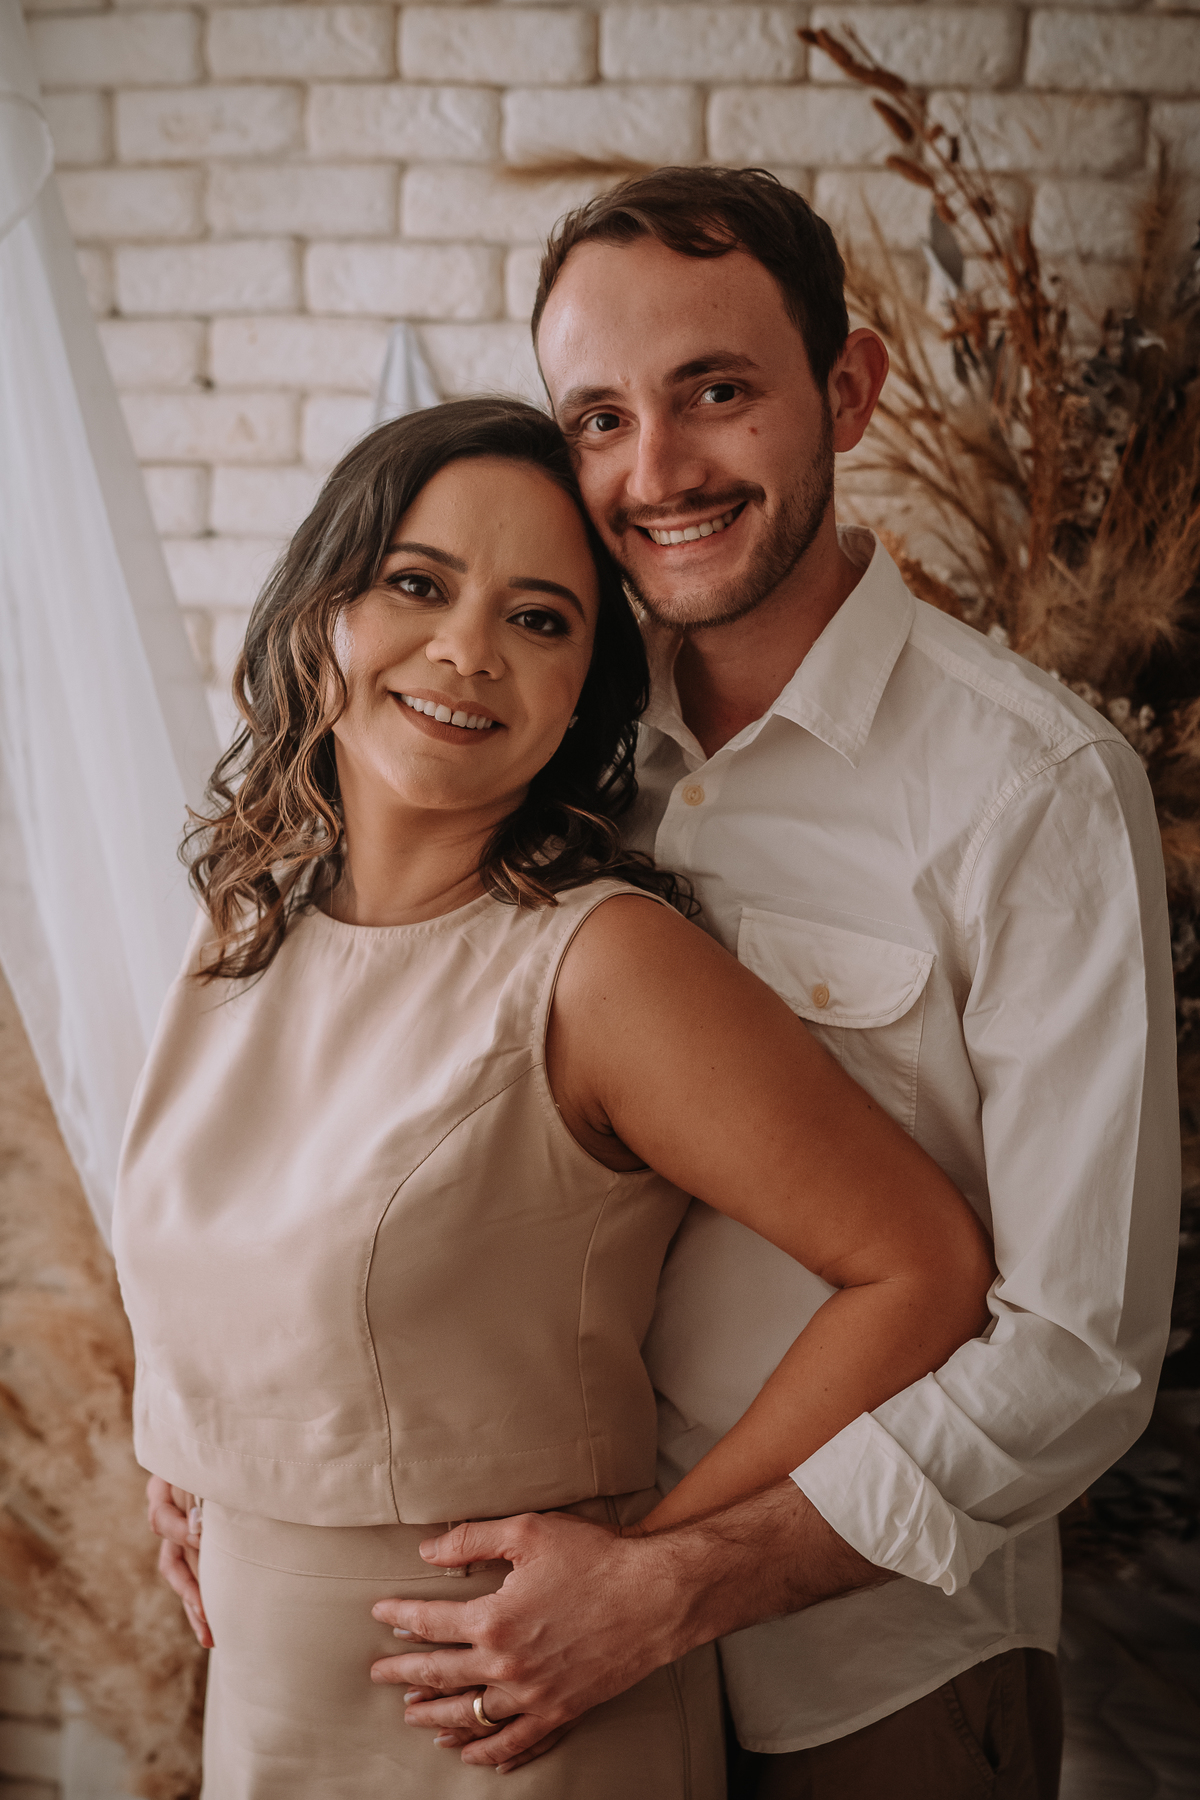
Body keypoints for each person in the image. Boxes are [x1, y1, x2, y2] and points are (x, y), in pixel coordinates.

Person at [325, 171, 1181, 1798]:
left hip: (869, 1682)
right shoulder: (545, 724)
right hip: (530, 1663)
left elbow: (1077, 1353)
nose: (655, 473)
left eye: (716, 393)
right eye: (599, 419)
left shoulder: (1034, 789)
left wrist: (671, 1584)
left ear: (846, 390)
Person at [118, 396, 995, 1797]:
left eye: (539, 619)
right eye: (418, 585)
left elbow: (924, 1267)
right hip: (268, 1714)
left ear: (588, 689)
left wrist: (655, 1572)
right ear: (322, 610)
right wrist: (197, 1455)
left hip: (518, 1720)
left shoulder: (600, 967)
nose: (468, 651)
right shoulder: (241, 928)